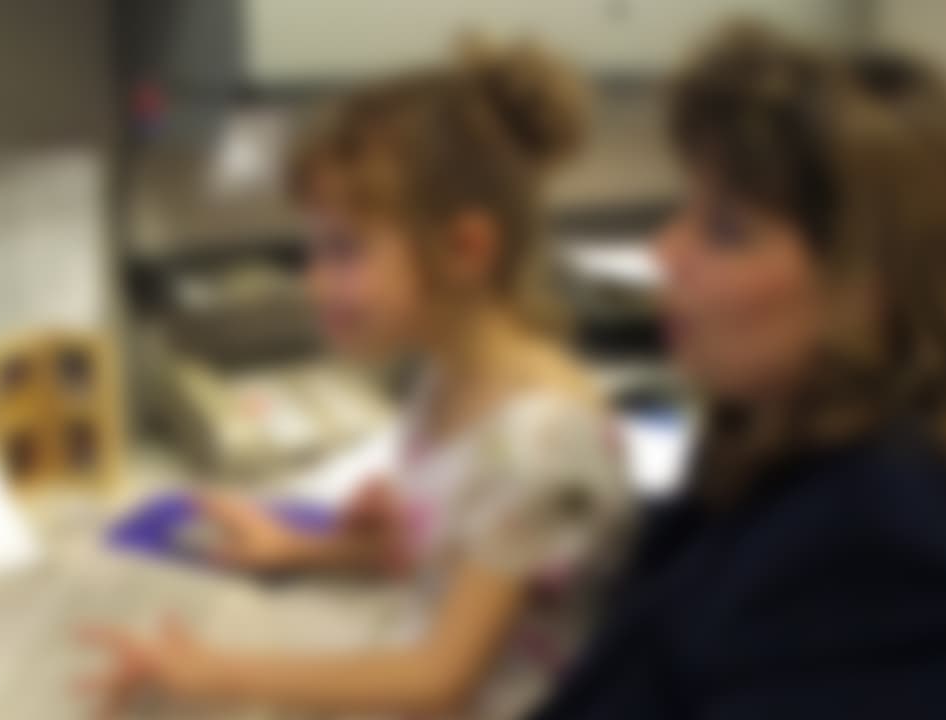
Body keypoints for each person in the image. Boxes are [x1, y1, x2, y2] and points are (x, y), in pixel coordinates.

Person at [533, 23, 946, 720]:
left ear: (872, 288)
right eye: (685, 210)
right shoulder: (767, 442)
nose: (664, 250)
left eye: (726, 230)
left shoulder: (901, 555)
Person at [83, 40, 633, 720]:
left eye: (344, 250)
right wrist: (299, 548)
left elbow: (439, 681)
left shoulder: (541, 442)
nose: (315, 282)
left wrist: (218, 674)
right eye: (313, 249)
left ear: (465, 249)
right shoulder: (447, 379)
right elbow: (450, 559)